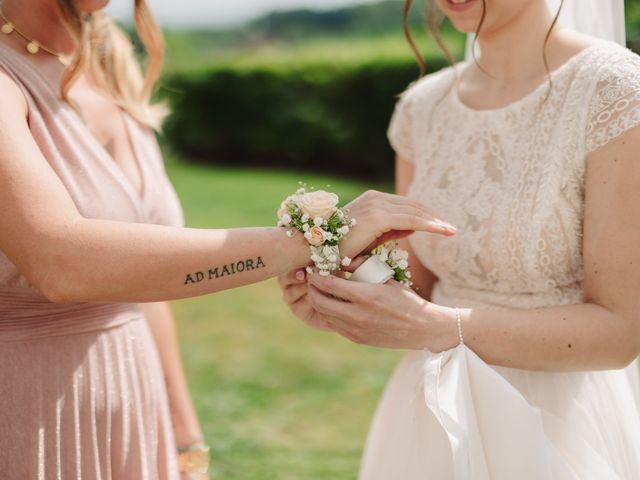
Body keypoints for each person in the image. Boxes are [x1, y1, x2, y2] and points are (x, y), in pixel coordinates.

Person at [0, 0, 457, 478]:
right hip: (28, 406)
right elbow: (60, 263)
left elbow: (141, 285)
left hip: (133, 397)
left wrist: (183, 437)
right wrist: (315, 239)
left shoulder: (104, 60)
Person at [279, 0, 640, 478]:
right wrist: (343, 298)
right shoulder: (422, 106)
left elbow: (618, 334)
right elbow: (415, 290)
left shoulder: (616, 91)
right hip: (431, 410)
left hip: (559, 419)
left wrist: (437, 327)